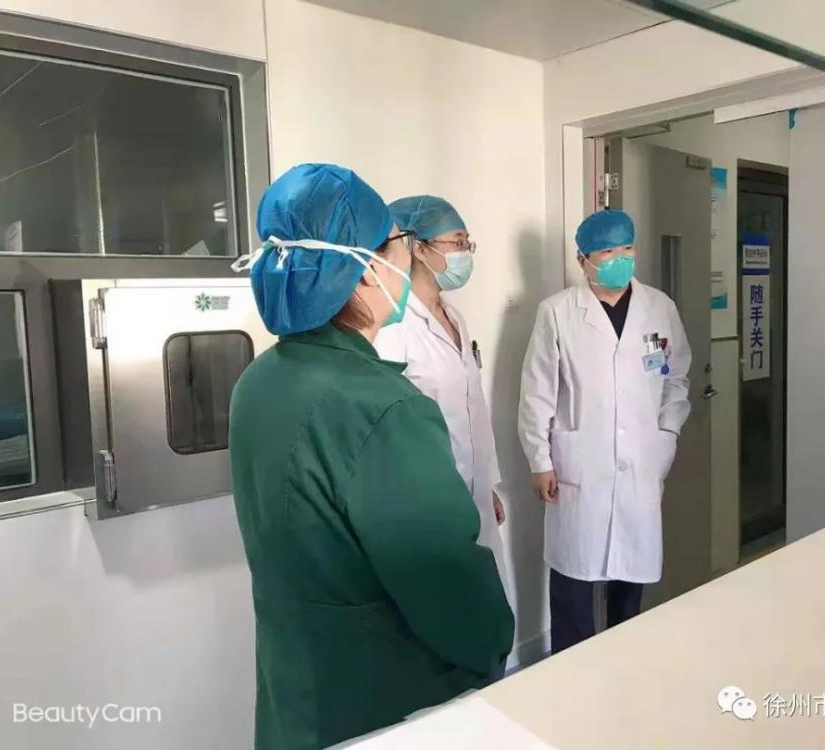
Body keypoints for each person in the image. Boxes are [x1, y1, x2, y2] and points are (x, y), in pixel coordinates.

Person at [228, 164, 514, 750]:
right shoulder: (381, 406)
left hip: (300, 688)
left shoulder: (258, 381)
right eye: (396, 245)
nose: (405, 259)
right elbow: (452, 595)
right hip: (385, 698)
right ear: (361, 271)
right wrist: (494, 642)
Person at [517, 209, 691, 654]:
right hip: (578, 468)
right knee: (573, 582)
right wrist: (539, 460)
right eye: (608, 251)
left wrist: (667, 435)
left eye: (627, 248)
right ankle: (570, 671)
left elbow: (676, 379)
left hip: (641, 463)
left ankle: (623, 668)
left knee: (629, 586)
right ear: (584, 260)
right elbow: (537, 391)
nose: (621, 258)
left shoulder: (659, 307)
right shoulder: (557, 313)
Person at [374, 195, 511, 599]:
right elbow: (389, 430)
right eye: (456, 242)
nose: (465, 252)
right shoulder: (394, 327)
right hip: (428, 500)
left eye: (467, 242)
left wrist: (486, 483)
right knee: (452, 603)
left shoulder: (455, 317)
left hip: (472, 490)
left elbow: (472, 407)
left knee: (490, 600)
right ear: (418, 248)